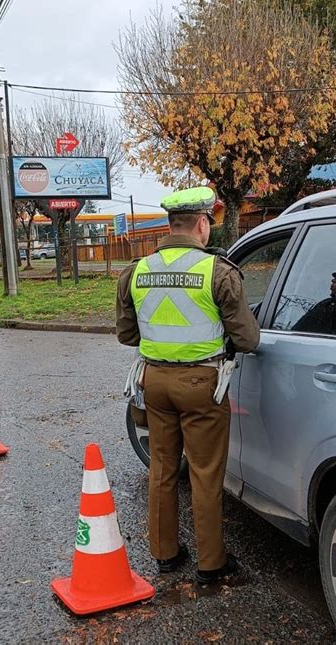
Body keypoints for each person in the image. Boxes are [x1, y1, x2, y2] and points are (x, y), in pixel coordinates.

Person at [116, 186, 260, 584]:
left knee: (162, 468)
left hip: (154, 382)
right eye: (208, 224)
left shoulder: (137, 271)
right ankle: (212, 564)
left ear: (170, 224)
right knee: (205, 472)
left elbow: (127, 335)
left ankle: (165, 554)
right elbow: (248, 340)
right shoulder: (218, 272)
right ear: (201, 224)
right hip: (201, 385)